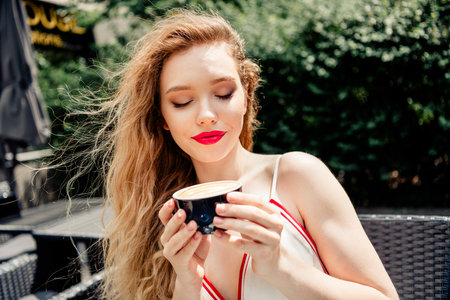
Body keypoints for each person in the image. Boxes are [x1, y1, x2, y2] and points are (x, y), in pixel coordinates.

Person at [96, 8, 399, 300]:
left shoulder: (296, 176)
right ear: (162, 116)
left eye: (223, 94)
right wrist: (186, 284)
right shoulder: (158, 218)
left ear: (246, 96)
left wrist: (280, 265)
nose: (205, 115)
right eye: (182, 101)